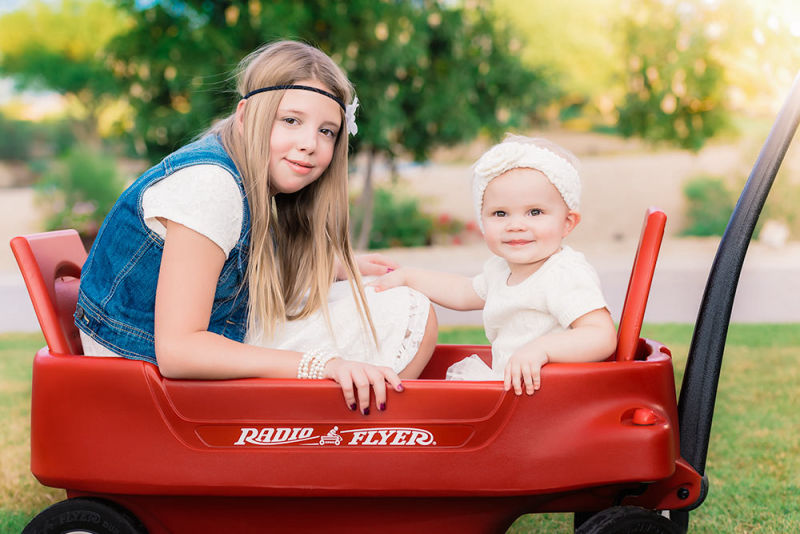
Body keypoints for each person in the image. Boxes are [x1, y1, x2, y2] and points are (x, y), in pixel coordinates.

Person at [74, 41, 438, 414]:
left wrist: (335, 268)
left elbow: (231, 272)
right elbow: (179, 350)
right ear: (247, 116)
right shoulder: (211, 185)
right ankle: (343, 446)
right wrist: (320, 365)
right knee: (407, 311)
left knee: (383, 301)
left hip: (187, 340)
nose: (309, 144)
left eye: (327, 131)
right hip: (141, 369)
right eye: (291, 121)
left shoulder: (244, 172)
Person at [370, 135, 616, 395]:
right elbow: (463, 292)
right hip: (515, 388)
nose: (516, 225)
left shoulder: (563, 273)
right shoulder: (501, 269)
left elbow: (600, 335)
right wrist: (409, 276)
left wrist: (541, 349)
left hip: (553, 394)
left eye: (535, 212)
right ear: (482, 220)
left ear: (567, 222)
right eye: (500, 213)